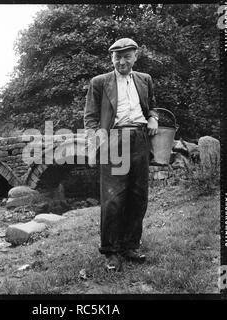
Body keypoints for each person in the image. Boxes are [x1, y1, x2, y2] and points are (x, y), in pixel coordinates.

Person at [84, 38, 159, 271]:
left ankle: (130, 246)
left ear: (136, 56)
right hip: (113, 140)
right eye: (117, 56)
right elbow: (90, 118)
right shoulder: (99, 82)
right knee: (113, 199)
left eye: (127, 56)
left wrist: (154, 117)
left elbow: (152, 105)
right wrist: (95, 145)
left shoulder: (145, 79)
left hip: (140, 139)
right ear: (111, 58)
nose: (122, 61)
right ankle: (111, 251)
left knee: (138, 197)